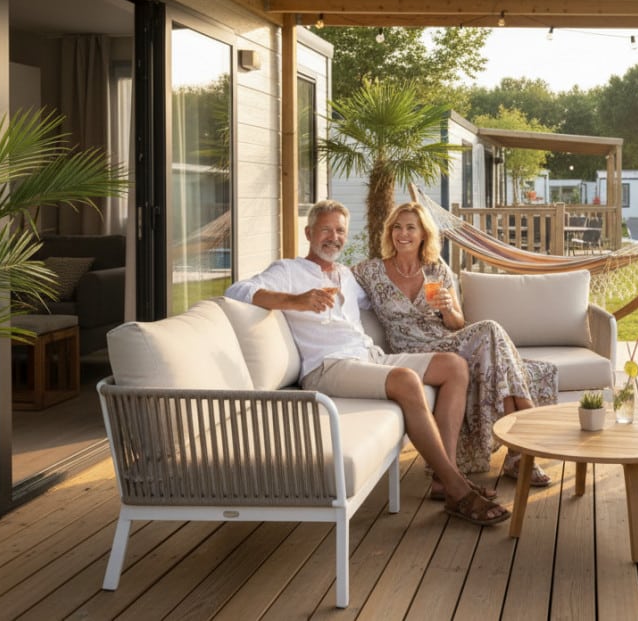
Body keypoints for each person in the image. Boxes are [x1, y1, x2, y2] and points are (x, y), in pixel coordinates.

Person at [225, 200, 509, 527]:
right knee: (405, 381)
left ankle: (445, 478)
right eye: (326, 229)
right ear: (309, 233)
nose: (334, 237)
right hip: (328, 367)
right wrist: (295, 301)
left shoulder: (348, 276)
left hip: (369, 357)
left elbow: (389, 294)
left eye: (340, 230)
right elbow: (237, 290)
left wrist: (438, 308)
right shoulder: (289, 271)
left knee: (454, 366)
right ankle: (457, 490)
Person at [353, 202, 558, 486]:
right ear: (389, 233)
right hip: (411, 352)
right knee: (493, 336)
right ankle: (521, 435)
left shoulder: (437, 270)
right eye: (397, 227)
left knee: (490, 331)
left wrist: (449, 308)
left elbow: (457, 324)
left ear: (424, 233)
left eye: (411, 227)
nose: (403, 234)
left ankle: (517, 452)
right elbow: (335, 279)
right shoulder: (371, 271)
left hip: (445, 341)